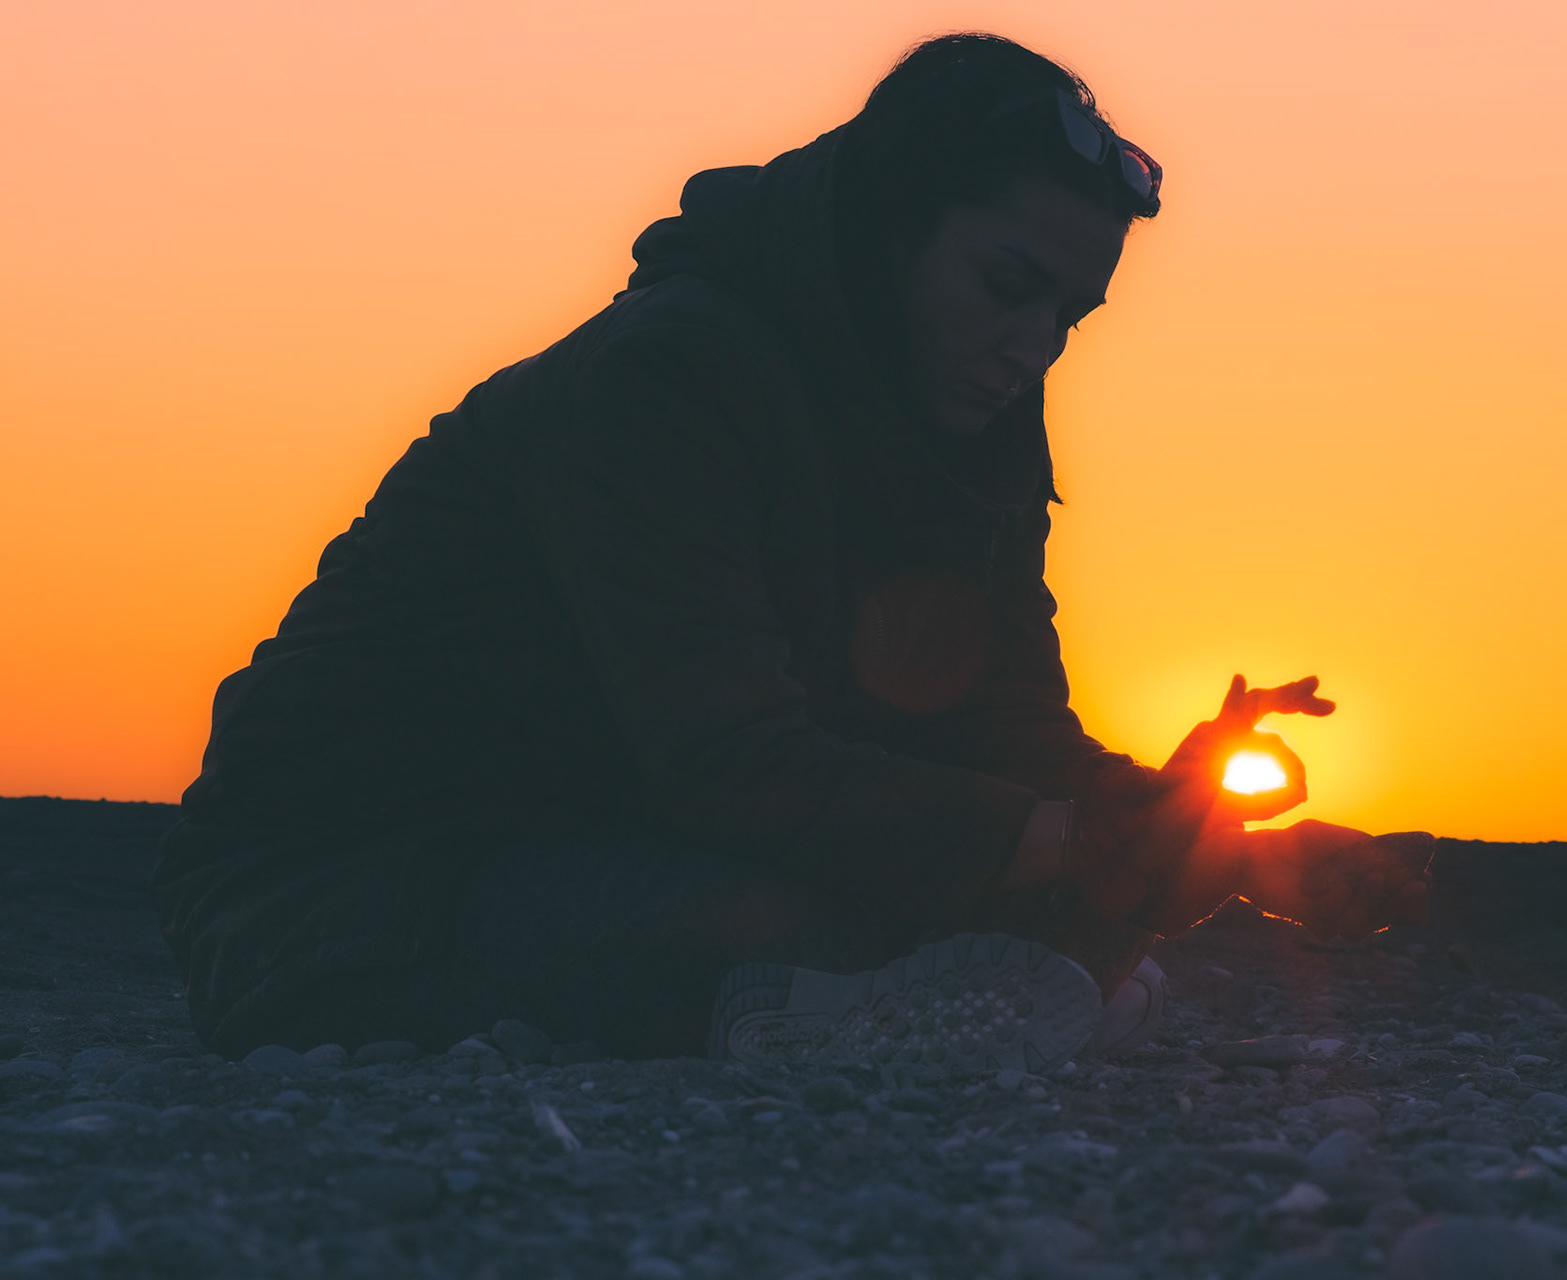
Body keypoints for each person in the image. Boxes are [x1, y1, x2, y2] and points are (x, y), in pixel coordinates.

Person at [154, 33, 1431, 1073]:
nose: (1033, 343)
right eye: (1006, 284)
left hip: (638, 835)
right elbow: (726, 763)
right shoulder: (664, 381)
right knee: (784, 922)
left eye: (1068, 312)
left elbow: (1009, 743)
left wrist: (1216, 837)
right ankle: (894, 1017)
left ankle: (927, 1009)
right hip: (352, 892)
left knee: (991, 895)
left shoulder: (964, 427)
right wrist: (1080, 847)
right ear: (889, 230)